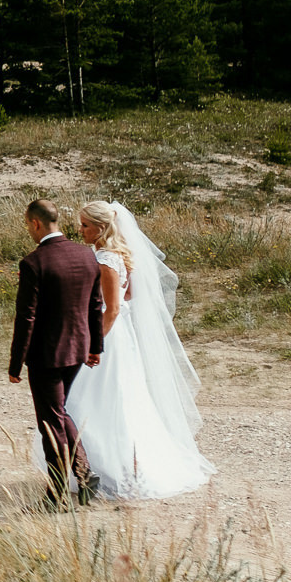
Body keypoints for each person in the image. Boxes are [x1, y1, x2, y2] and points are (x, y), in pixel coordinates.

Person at [67, 200, 215, 500]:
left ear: (100, 227)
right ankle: (106, 468)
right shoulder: (114, 255)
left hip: (108, 337)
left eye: (85, 225)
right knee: (105, 399)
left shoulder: (107, 259)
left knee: (106, 401)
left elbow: (113, 310)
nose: (80, 230)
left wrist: (94, 341)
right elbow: (129, 293)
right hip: (118, 335)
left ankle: (122, 472)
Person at [8, 198, 104, 508]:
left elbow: (26, 317)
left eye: (28, 226)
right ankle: (85, 476)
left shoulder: (34, 263)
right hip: (77, 350)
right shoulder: (86, 256)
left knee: (50, 423)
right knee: (59, 412)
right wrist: (95, 346)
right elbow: (95, 305)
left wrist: (16, 363)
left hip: (46, 356)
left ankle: (58, 493)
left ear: (35, 223)